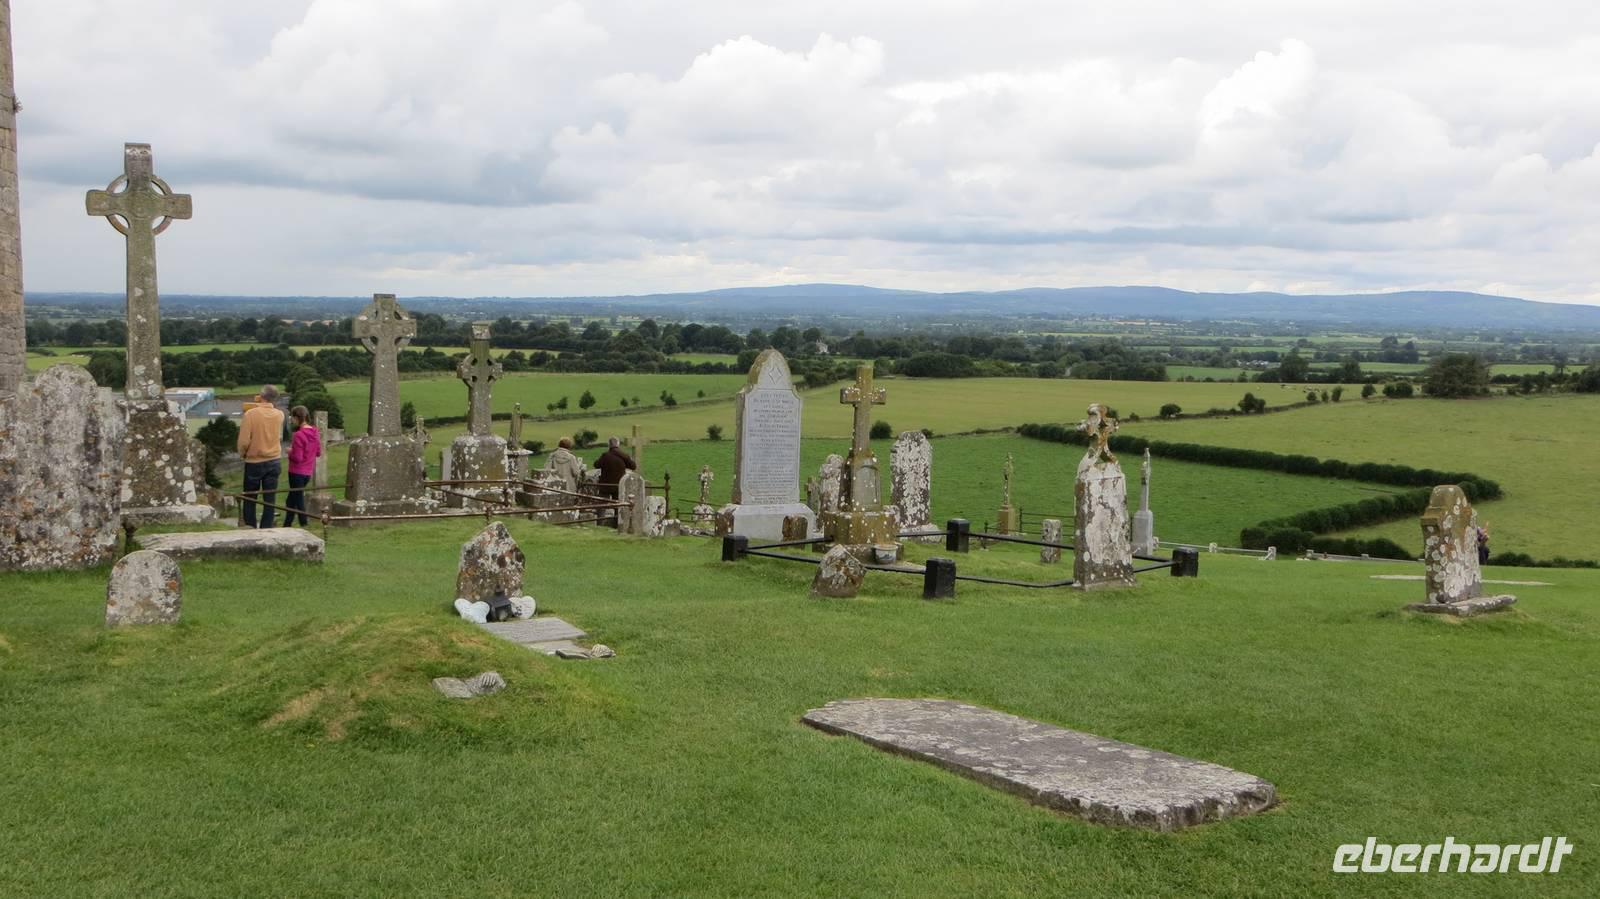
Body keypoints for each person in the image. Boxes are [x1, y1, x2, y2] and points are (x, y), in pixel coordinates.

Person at [237, 385, 286, 528]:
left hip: (254, 460)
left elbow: (244, 441)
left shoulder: (251, 414)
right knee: (269, 498)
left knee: (250, 497)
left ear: (261, 396)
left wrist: (242, 454)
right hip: (274, 459)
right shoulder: (280, 414)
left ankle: (250, 526)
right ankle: (266, 526)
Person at [284, 405, 321, 527]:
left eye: (292, 417)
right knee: (291, 500)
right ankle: (287, 524)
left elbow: (297, 458)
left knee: (298, 499)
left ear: (296, 417)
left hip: (296, 472)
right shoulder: (315, 432)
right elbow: (318, 452)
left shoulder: (298, 435)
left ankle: (303, 523)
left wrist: (290, 451)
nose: (291, 420)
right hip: (307, 472)